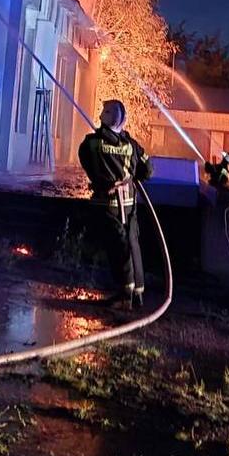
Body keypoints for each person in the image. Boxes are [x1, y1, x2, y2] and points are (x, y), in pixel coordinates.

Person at [78, 99, 152, 309]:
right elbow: (148, 171)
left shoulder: (91, 143)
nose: (101, 113)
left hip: (108, 204)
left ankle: (124, 296)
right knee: (132, 244)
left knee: (117, 247)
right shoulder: (131, 145)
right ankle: (137, 294)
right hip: (130, 204)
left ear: (107, 116)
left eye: (103, 111)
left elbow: (85, 161)